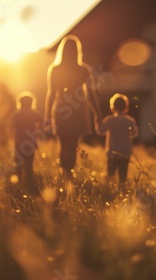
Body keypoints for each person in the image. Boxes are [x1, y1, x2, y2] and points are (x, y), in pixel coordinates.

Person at [44, 35, 102, 179]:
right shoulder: (83, 70)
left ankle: (63, 174)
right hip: (78, 110)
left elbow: (51, 94)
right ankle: (69, 175)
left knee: (63, 145)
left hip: (61, 109)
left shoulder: (55, 69)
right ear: (77, 51)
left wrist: (47, 116)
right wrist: (98, 114)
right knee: (72, 145)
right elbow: (90, 94)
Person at [96, 93, 138, 191]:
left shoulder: (110, 120)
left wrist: (97, 122)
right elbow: (134, 133)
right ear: (126, 107)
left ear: (112, 107)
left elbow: (100, 131)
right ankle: (122, 192)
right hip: (125, 153)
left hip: (112, 153)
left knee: (109, 176)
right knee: (123, 177)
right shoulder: (130, 121)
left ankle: (108, 193)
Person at [10, 92, 43, 191]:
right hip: (30, 141)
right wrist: (38, 134)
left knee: (18, 162)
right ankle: (29, 181)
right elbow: (42, 124)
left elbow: (11, 128)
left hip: (19, 142)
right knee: (29, 162)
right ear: (32, 102)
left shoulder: (16, 115)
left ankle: (18, 181)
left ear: (20, 103)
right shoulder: (34, 114)